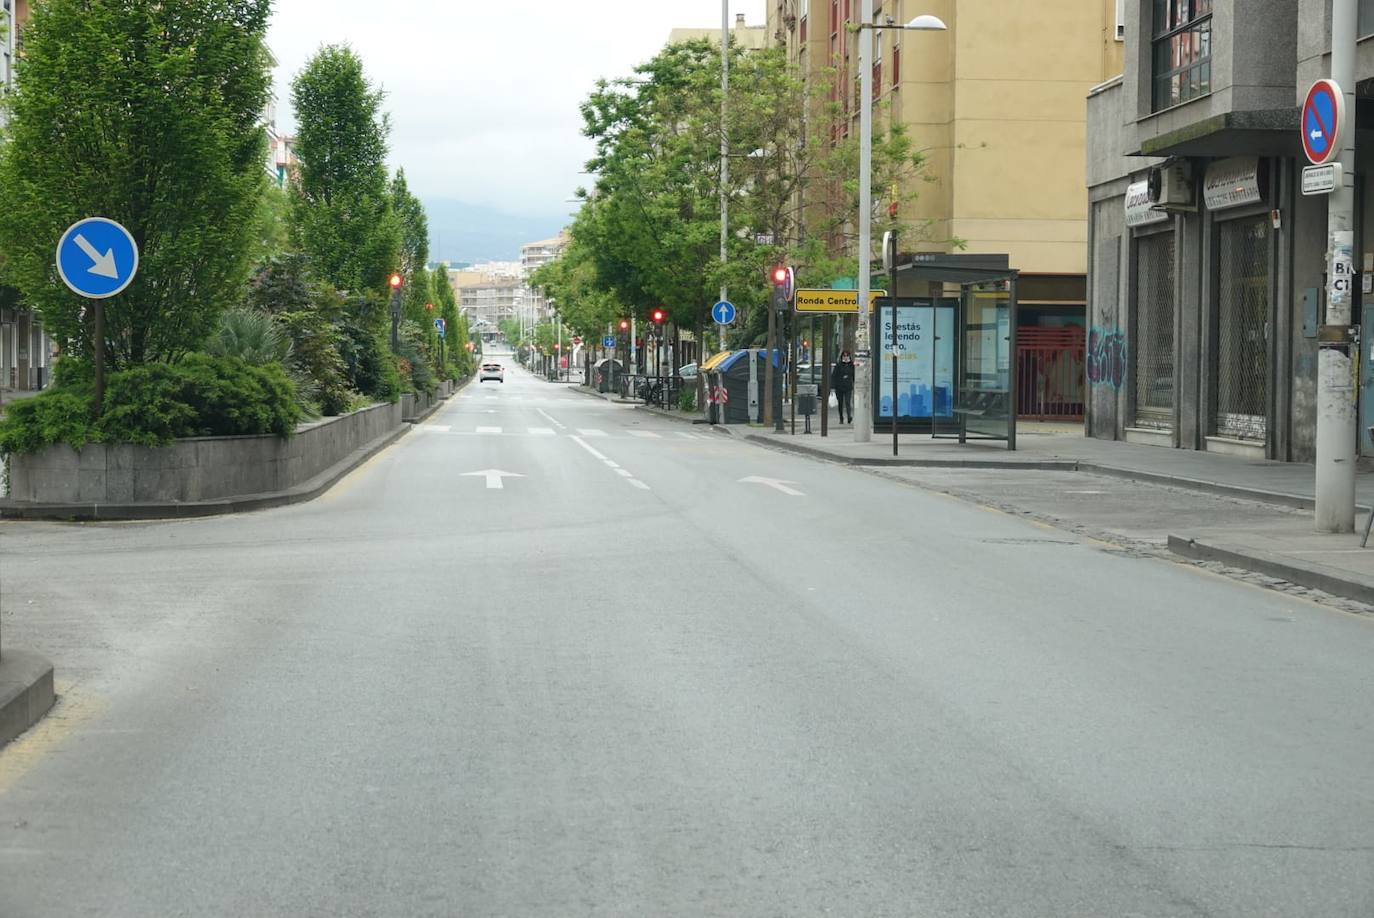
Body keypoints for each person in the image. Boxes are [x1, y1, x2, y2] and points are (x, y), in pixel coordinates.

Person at [831, 350, 855, 424]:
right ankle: (841, 418)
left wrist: (855, 383)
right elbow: (834, 376)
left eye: (847, 356)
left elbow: (854, 375)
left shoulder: (851, 365)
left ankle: (849, 417)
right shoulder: (838, 365)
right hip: (839, 387)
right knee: (840, 403)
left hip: (848, 387)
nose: (845, 357)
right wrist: (833, 387)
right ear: (842, 357)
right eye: (844, 356)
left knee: (848, 402)